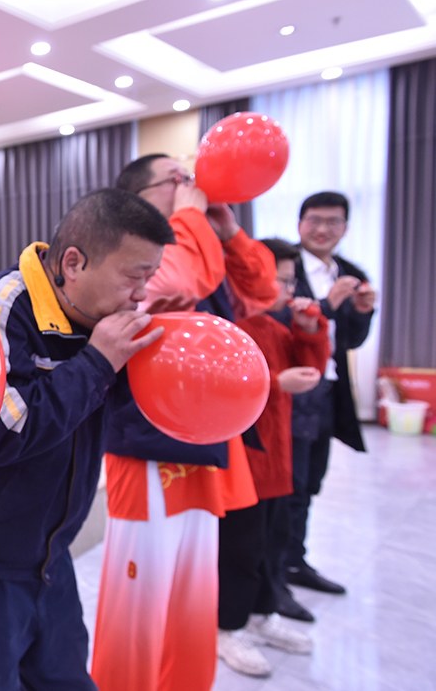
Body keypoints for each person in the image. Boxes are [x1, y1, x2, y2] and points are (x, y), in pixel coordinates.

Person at [0, 188, 176, 690]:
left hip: (50, 560)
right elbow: (8, 432)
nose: (141, 294)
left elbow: (103, 419)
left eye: (149, 278)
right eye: (133, 276)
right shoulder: (2, 306)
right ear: (74, 262)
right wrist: (99, 362)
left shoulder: (94, 320)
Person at [91, 154, 279, 691]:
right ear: (137, 199)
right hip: (144, 441)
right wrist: (192, 221)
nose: (192, 185)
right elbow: (177, 278)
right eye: (177, 179)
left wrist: (230, 231)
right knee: (140, 594)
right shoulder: (127, 251)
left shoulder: (200, 240)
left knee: (193, 588)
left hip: (205, 438)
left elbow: (262, 291)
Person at [216, 238, 330, 677]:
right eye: (276, 279)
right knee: (241, 547)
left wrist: (308, 327)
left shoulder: (274, 325)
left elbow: (314, 363)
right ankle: (228, 628)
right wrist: (277, 383)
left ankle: (262, 616)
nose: (284, 288)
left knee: (272, 542)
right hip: (247, 459)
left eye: (287, 280)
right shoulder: (231, 326)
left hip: (278, 458)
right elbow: (225, 390)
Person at [277, 191, 376, 616]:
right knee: (288, 485)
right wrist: (327, 307)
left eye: (333, 222)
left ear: (345, 228)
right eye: (314, 220)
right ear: (299, 224)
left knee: (312, 481)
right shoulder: (281, 266)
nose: (323, 229)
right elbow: (274, 320)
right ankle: (275, 574)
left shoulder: (351, 273)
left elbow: (349, 341)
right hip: (290, 386)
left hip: (328, 390)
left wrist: (363, 312)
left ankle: (296, 562)